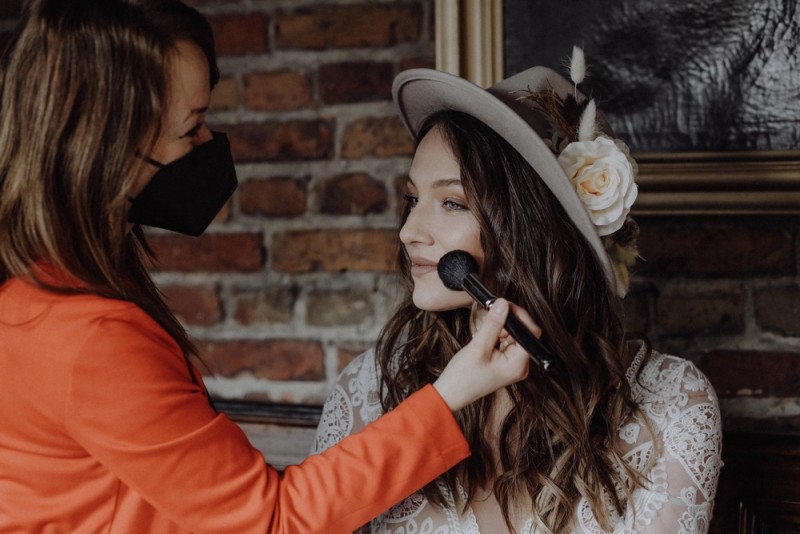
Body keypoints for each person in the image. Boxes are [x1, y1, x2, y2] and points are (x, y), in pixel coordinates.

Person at [0, 1, 534, 532]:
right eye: (191, 129)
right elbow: (272, 520)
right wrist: (451, 394)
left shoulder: (34, 298)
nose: (209, 144)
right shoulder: (89, 338)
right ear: (106, 147)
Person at [313, 48, 723, 533]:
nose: (409, 231)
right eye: (412, 199)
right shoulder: (371, 389)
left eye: (451, 202)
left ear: (534, 227)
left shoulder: (673, 404)